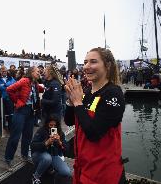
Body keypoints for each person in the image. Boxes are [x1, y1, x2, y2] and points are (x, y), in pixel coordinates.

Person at [64, 47, 126, 184]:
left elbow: (94, 133)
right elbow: (69, 121)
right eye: (85, 62)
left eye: (93, 62)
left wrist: (78, 102)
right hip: (83, 167)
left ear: (107, 65)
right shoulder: (87, 92)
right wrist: (70, 100)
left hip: (103, 173)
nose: (87, 66)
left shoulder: (113, 94)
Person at [4, 66, 43, 170]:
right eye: (37, 71)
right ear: (31, 72)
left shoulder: (34, 83)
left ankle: (24, 155)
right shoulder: (24, 80)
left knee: (28, 135)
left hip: (31, 112)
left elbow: (41, 88)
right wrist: (17, 101)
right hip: (21, 111)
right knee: (15, 136)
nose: (39, 73)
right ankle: (8, 159)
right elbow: (9, 89)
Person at [31, 115, 71, 184]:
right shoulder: (41, 131)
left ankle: (49, 168)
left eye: (54, 126)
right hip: (39, 155)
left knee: (66, 172)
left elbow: (67, 149)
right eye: (50, 125)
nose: (53, 127)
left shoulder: (60, 133)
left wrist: (60, 142)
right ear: (47, 124)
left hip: (53, 155)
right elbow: (33, 146)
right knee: (47, 158)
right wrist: (46, 143)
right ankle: (35, 176)